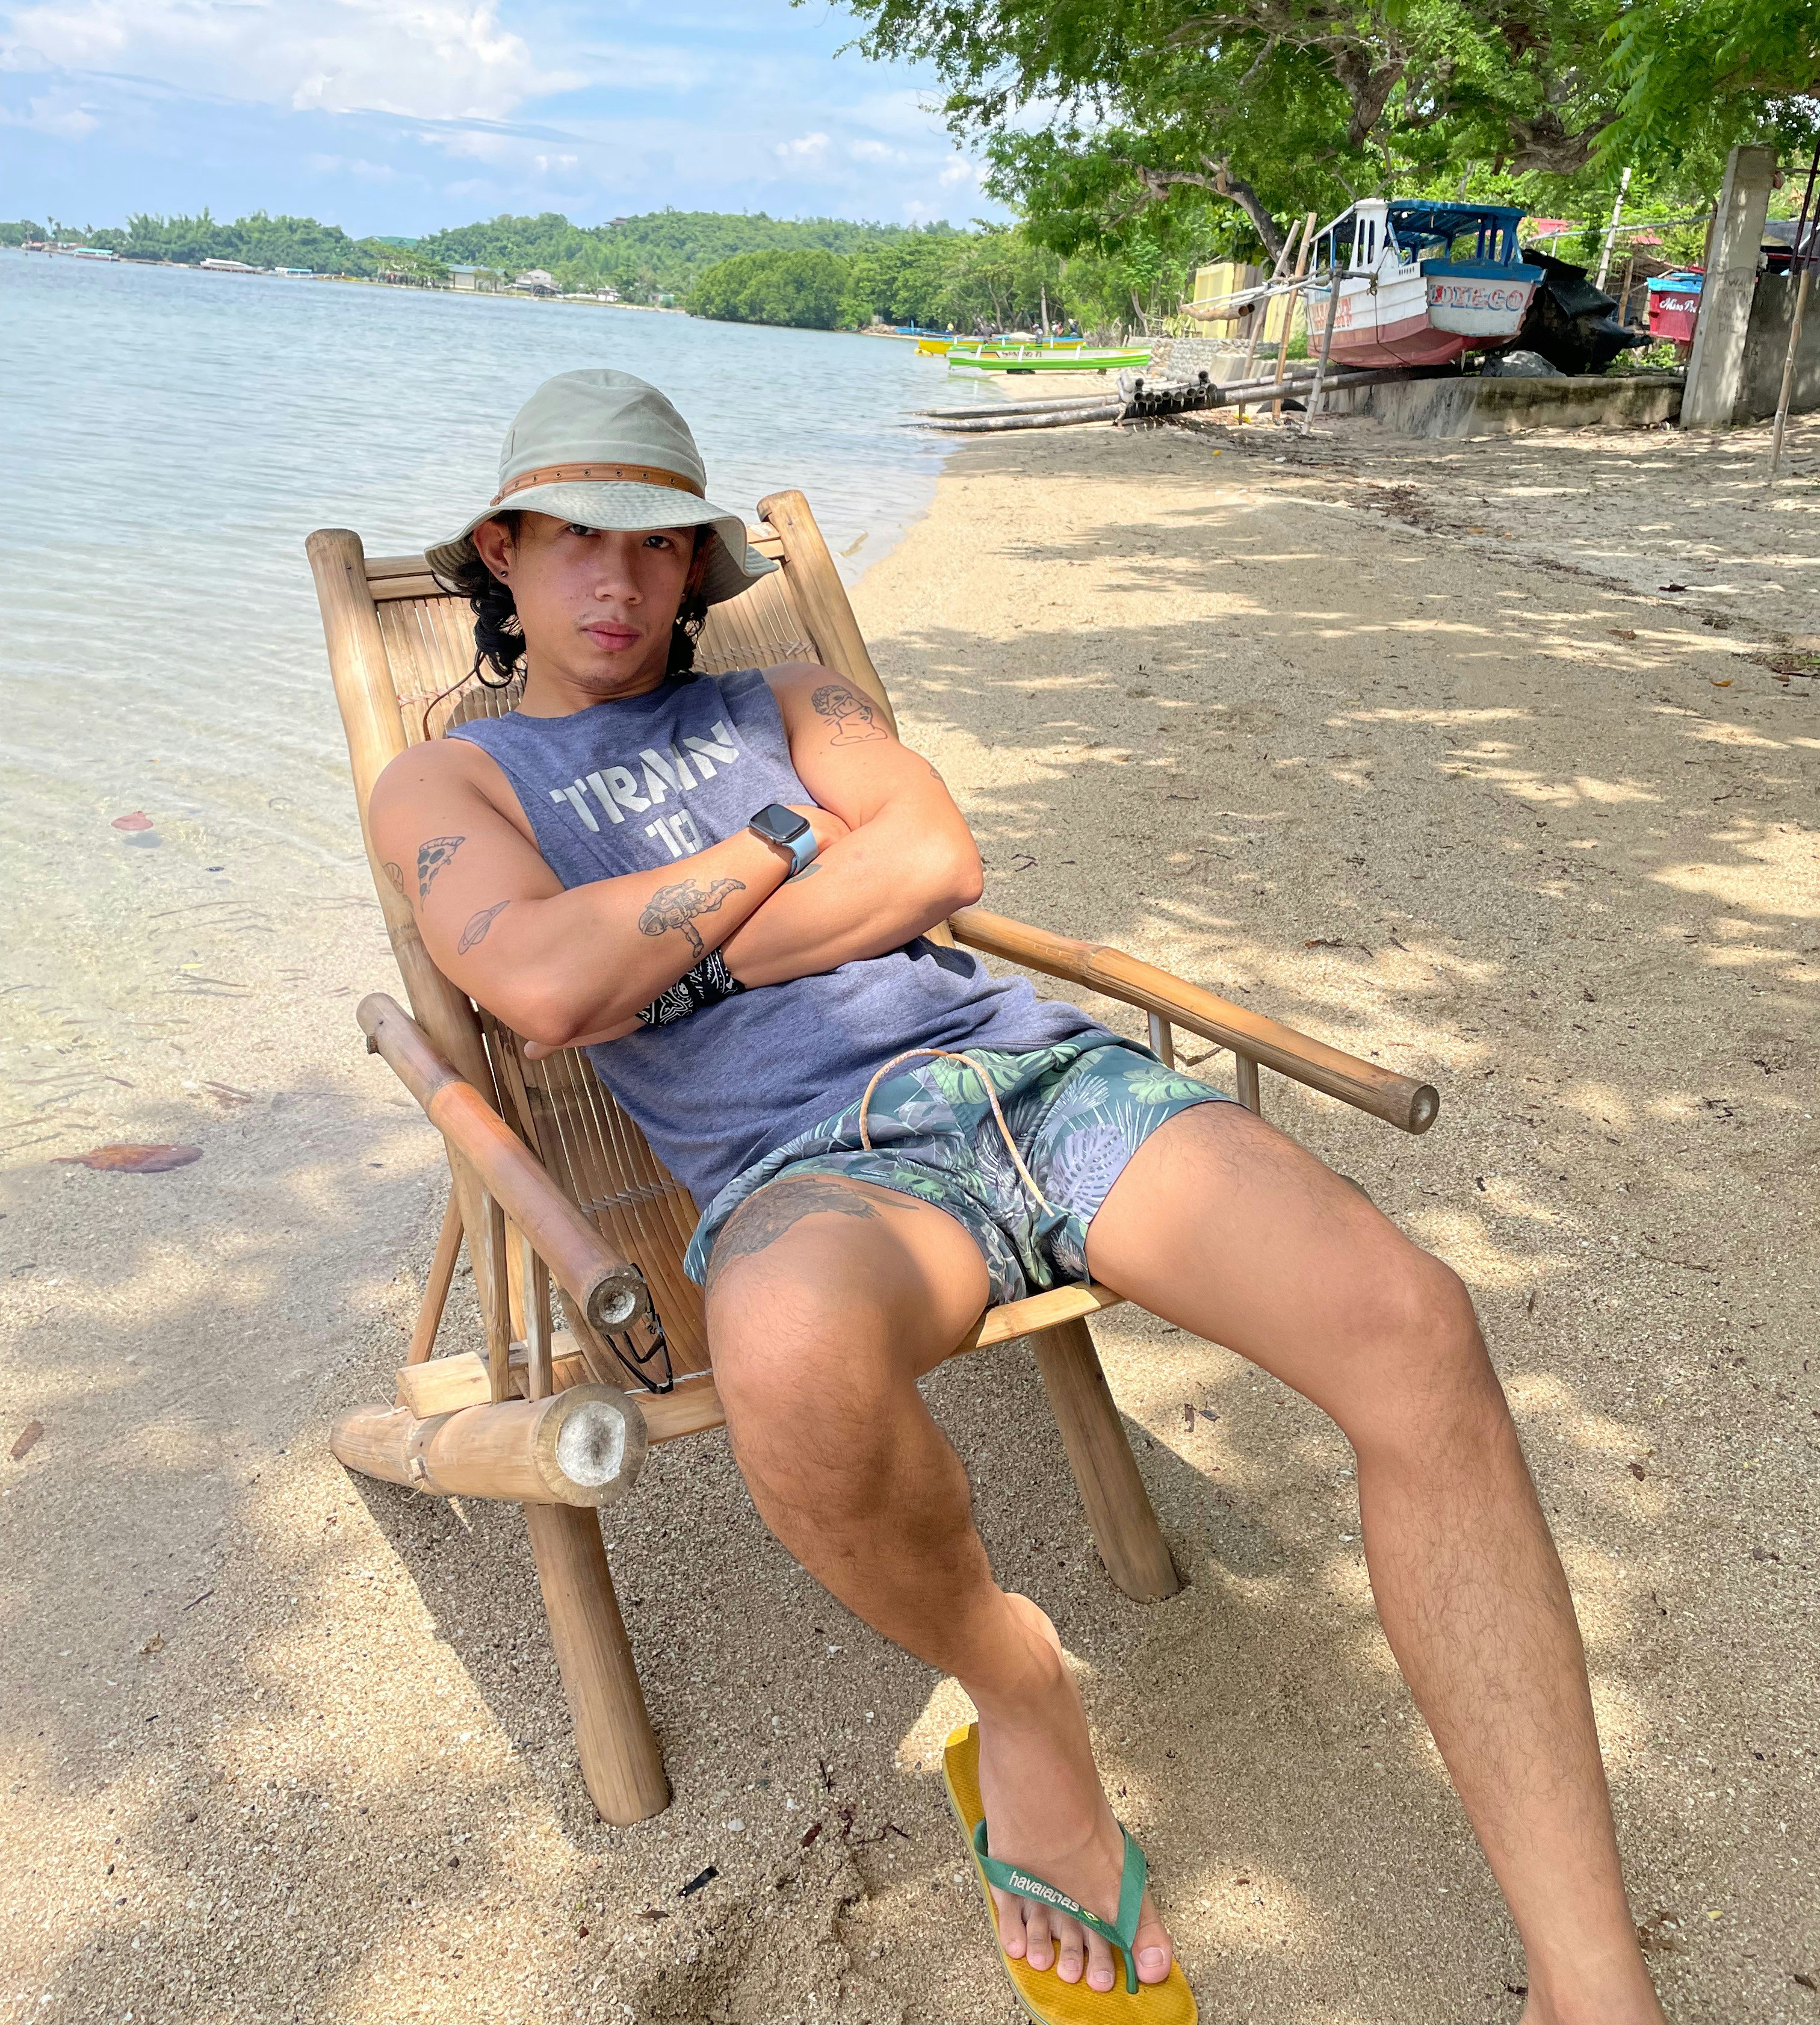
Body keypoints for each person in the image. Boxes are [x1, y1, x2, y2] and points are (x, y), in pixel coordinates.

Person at [371, 368, 1667, 2024]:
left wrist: (673, 958)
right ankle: (1017, 1683)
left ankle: (1590, 1983)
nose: (618, 580)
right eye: (576, 540)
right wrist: (782, 848)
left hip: (1037, 1080)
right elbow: (550, 986)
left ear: (697, 565)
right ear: (503, 551)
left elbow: (933, 863)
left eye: (657, 543)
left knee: (1415, 1328)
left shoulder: (795, 697)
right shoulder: (455, 782)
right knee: (783, 1351)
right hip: (811, 1170)